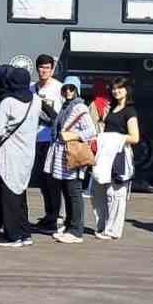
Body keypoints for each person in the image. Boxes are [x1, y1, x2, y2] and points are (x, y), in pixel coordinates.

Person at [0, 66, 42, 247]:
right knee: (20, 192)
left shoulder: (8, 102)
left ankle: (13, 236)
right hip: (28, 153)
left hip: (10, 153)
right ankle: (25, 233)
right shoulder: (36, 100)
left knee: (9, 194)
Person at [43, 75, 96, 244]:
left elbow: (91, 131)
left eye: (71, 88)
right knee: (67, 191)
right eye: (65, 88)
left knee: (74, 191)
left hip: (72, 154)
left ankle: (76, 230)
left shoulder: (79, 107)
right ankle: (69, 225)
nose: (68, 91)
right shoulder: (66, 106)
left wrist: (72, 135)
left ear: (77, 90)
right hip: (63, 155)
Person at [91, 77, 140, 240]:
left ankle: (112, 230)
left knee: (116, 194)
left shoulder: (130, 111)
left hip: (119, 155)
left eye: (120, 88)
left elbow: (135, 137)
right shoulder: (111, 108)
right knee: (98, 192)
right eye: (113, 88)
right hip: (105, 155)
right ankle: (102, 226)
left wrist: (114, 138)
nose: (116, 91)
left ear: (127, 90)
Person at [30, 54, 65, 234]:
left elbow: (64, 115)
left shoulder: (59, 88)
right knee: (42, 180)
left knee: (52, 180)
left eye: (47, 68)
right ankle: (48, 214)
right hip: (34, 139)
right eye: (41, 67)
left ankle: (55, 217)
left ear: (52, 69)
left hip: (51, 139)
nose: (44, 71)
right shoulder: (31, 88)